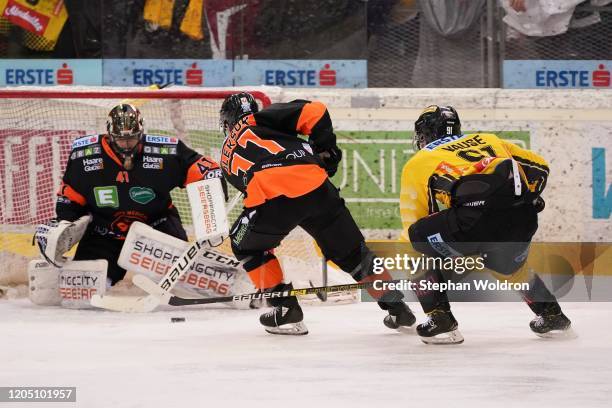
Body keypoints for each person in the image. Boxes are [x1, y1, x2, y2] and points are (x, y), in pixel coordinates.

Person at [219, 92, 415, 335]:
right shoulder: (264, 118)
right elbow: (316, 111)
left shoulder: (225, 155)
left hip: (274, 198)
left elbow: (253, 195)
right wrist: (326, 152)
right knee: (354, 254)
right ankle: (397, 307)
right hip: (317, 186)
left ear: (227, 122)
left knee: (246, 246)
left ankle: (284, 309)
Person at [400, 105, 572, 344]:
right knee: (509, 268)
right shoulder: (488, 139)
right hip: (522, 218)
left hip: (474, 223)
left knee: (413, 244)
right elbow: (541, 167)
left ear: (425, 134)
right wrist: (529, 196)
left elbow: (417, 225)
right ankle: (552, 316)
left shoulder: (419, 161)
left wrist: (437, 256)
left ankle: (440, 321)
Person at [40, 103, 226, 286]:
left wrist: (212, 176)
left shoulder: (164, 151)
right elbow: (70, 197)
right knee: (82, 289)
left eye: (133, 139)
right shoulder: (85, 156)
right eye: (121, 139)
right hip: (104, 231)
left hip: (156, 225)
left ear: (141, 133)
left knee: (184, 280)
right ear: (109, 135)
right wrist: (64, 222)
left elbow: (199, 166)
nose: (127, 146)